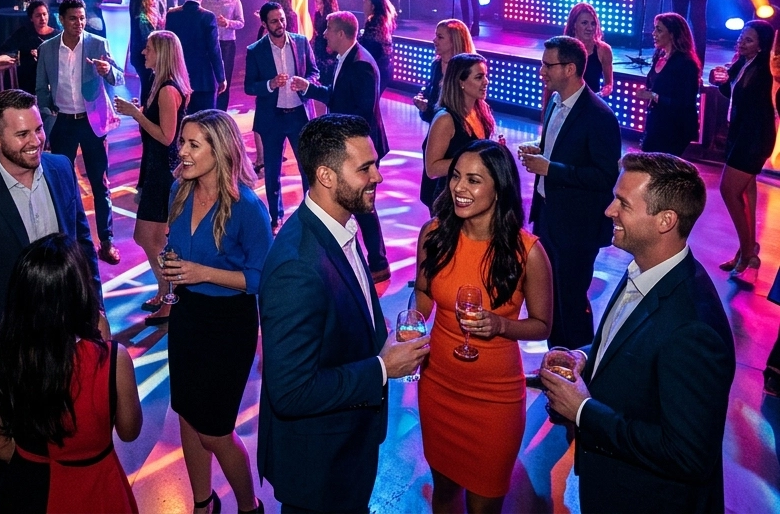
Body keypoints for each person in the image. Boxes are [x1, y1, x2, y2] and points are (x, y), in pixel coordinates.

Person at [0, 89, 106, 513]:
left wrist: (96, 308)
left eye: (38, 129)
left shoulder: (61, 168)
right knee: (6, 460)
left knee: (67, 436)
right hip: (9, 351)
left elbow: (82, 244)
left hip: (69, 338)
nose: (36, 141)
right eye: (22, 135)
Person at [542, 153, 735, 514]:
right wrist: (585, 355)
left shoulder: (693, 329)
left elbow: (687, 455)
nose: (609, 210)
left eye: (623, 203)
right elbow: (631, 344)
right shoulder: (645, 269)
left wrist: (582, 410)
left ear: (665, 220)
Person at [257, 114, 430, 513]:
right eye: (365, 168)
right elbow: (291, 392)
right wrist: (382, 368)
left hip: (347, 449)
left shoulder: (341, 229)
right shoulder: (296, 267)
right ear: (326, 176)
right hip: (319, 468)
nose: (378, 177)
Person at [415, 140, 553, 513]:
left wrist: (500, 325)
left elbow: (542, 325)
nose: (459, 188)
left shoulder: (528, 252)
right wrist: (412, 327)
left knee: (484, 504)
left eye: (474, 180)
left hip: (495, 399)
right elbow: (424, 294)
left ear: (499, 189)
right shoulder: (434, 234)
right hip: (438, 386)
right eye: (456, 176)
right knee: (444, 493)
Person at [160, 110, 272, 514]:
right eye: (183, 142)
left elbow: (262, 277)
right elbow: (178, 246)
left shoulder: (248, 207)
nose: (183, 152)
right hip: (187, 315)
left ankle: (249, 507)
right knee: (187, 416)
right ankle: (202, 503)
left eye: (194, 144)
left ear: (220, 149)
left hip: (228, 325)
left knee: (216, 430)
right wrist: (172, 261)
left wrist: (201, 272)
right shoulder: (179, 190)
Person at [0, 234, 140, 514]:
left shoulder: (1, 358)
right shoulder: (114, 359)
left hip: (28, 493)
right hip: (98, 491)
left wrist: (38, 458)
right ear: (80, 293)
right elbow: (129, 431)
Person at [519, 35, 621, 347]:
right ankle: (556, 358)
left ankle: (577, 364)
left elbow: (604, 176)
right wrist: (540, 149)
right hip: (548, 216)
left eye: (547, 65)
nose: (542, 72)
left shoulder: (599, 116)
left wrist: (550, 168)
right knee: (549, 295)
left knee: (571, 300)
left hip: (578, 227)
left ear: (570, 69)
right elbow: (563, 148)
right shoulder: (554, 102)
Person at [299, 11, 391, 284]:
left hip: (358, 152)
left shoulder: (361, 64)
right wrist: (309, 87)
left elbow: (361, 115)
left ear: (340, 33)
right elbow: (337, 96)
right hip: (350, 149)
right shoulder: (348, 58)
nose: (324, 34)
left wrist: (335, 135)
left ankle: (378, 263)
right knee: (354, 202)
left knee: (362, 204)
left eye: (328, 29)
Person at [36, 0, 124, 265]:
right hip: (62, 122)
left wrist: (107, 71)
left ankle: (106, 241)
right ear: (61, 20)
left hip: (91, 122)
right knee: (63, 183)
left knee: (100, 182)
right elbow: (40, 88)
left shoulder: (98, 43)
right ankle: (68, 240)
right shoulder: (48, 48)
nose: (79, 23)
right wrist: (48, 119)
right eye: (73, 18)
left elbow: (119, 77)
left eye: (82, 18)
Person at [113, 30, 190, 325]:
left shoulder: (168, 89)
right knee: (151, 237)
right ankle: (164, 292)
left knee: (149, 237)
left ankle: (170, 298)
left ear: (162, 53)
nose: (143, 52)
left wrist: (137, 114)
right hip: (155, 169)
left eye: (148, 48)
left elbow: (167, 137)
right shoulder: (162, 84)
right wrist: (142, 111)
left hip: (162, 174)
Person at [709, 18, 777, 279]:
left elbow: (757, 102)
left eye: (748, 40)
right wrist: (720, 80)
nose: (741, 42)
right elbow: (733, 93)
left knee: (729, 191)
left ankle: (747, 252)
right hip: (740, 134)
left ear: (761, 45)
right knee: (746, 195)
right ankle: (747, 249)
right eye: (741, 37)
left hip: (754, 139)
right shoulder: (743, 62)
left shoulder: (765, 69)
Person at [244, 1, 320, 232]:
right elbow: (249, 86)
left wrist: (306, 83)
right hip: (272, 117)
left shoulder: (301, 42)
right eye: (274, 21)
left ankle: (310, 214)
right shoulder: (255, 50)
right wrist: (270, 84)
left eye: (282, 19)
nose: (280, 24)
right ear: (265, 24)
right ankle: (275, 217)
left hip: (299, 115)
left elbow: (314, 72)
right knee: (272, 171)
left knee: (307, 168)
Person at [421, 53, 494, 212]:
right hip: (451, 199)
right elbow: (432, 169)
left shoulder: (482, 110)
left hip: (475, 196)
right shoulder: (445, 119)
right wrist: (475, 160)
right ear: (461, 82)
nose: (486, 82)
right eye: (479, 77)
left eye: (485, 76)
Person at [637, 13, 701, 156]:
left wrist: (653, 95)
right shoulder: (659, 56)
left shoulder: (686, 64)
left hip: (675, 127)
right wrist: (646, 91)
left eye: (659, 30)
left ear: (672, 34)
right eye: (654, 29)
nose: (653, 33)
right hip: (657, 122)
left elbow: (685, 103)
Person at [166, 0, 226, 114]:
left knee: (182, 118)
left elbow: (167, 46)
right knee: (205, 119)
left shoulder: (172, 15)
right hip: (203, 79)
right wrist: (221, 77)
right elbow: (214, 49)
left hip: (178, 76)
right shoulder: (208, 17)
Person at [414, 19, 474, 125]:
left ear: (454, 41)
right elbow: (430, 92)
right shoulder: (436, 65)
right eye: (436, 36)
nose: (434, 40)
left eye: (440, 37)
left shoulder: (468, 69)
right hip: (437, 125)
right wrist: (422, 101)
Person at [201, 0, 245, 111]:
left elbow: (241, 22)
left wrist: (227, 23)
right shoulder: (204, 0)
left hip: (226, 44)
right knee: (209, 78)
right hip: (208, 44)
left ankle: (221, 113)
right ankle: (209, 111)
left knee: (224, 80)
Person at [0, 0, 59, 97]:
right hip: (28, 81)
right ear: (31, 18)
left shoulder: (57, 35)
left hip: (53, 80)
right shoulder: (24, 33)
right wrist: (20, 56)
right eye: (38, 15)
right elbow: (5, 50)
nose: (42, 18)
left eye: (44, 14)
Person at [564, 2, 614, 97]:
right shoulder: (563, 48)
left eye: (593, 23)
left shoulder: (604, 50)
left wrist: (601, 94)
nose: (590, 28)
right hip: (566, 102)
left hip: (591, 103)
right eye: (584, 23)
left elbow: (609, 84)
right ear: (574, 24)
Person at [359, 0, 397, 94]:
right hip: (383, 71)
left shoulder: (373, 24)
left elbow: (370, 50)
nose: (363, 3)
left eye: (366, 2)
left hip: (375, 72)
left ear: (373, 6)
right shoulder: (382, 23)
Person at [128, 0, 158, 104]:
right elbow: (148, 40)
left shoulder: (136, 16)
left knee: (146, 85)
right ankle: (146, 112)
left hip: (137, 56)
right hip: (144, 57)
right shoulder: (143, 19)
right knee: (148, 87)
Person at [310, 0, 340, 94]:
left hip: (328, 48)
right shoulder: (317, 14)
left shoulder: (332, 15)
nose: (316, 1)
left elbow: (335, 34)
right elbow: (316, 32)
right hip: (319, 46)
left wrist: (330, 46)